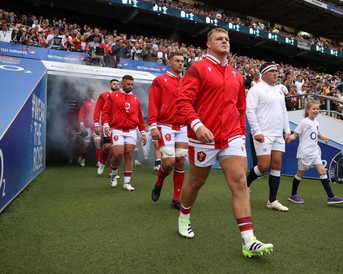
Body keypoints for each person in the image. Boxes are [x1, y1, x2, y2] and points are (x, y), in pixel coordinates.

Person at [176, 28, 273, 258]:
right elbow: (183, 102)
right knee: (196, 183)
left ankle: (249, 240)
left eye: (227, 39)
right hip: (203, 138)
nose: (225, 41)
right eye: (219, 38)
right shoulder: (197, 68)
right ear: (208, 44)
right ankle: (184, 216)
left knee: (240, 183)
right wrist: (198, 126)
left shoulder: (237, 76)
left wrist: (240, 133)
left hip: (231, 138)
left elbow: (240, 108)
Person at [246, 62, 290, 212]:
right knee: (264, 166)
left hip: (278, 134)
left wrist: (288, 131)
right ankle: (245, 185)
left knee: (276, 164)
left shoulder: (279, 91)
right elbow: (250, 111)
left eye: (277, 71)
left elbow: (284, 112)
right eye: (272, 71)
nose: (276, 73)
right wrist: (256, 131)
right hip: (263, 134)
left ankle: (272, 200)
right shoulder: (256, 89)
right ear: (264, 74)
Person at [287, 100, 343, 204]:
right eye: (314, 108)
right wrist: (289, 138)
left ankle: (331, 197)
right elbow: (295, 135)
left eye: (317, 109)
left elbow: (317, 135)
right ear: (308, 110)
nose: (316, 111)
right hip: (304, 153)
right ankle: (293, 195)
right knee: (300, 174)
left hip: (314, 152)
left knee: (323, 172)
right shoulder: (304, 122)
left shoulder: (316, 123)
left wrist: (324, 137)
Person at [148, 52, 188, 210]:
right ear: (169, 63)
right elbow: (153, 103)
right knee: (169, 162)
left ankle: (176, 198)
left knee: (180, 161)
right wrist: (152, 125)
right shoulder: (160, 80)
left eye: (182, 61)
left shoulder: (187, 82)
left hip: (183, 127)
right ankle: (159, 183)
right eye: (177, 61)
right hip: (165, 126)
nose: (180, 63)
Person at [102, 75, 147, 191]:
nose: (130, 86)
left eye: (132, 84)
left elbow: (140, 118)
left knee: (129, 155)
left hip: (131, 131)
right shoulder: (113, 96)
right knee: (117, 153)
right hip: (117, 129)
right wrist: (106, 125)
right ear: (122, 83)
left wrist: (143, 132)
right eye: (128, 84)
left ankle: (127, 182)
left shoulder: (136, 99)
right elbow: (106, 112)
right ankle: (113, 172)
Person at [93, 79, 120, 176]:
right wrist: (96, 124)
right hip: (107, 125)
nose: (116, 85)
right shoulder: (104, 95)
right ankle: (103, 162)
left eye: (118, 84)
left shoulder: (122, 96)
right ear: (110, 85)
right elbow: (97, 109)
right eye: (114, 84)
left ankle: (112, 171)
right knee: (107, 146)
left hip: (118, 126)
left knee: (116, 149)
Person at [78, 90, 101, 167]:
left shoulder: (101, 104)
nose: (96, 96)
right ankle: (83, 158)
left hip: (96, 127)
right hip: (87, 126)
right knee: (86, 144)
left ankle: (98, 162)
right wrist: (81, 123)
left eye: (98, 94)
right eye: (95, 94)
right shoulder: (86, 103)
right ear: (92, 95)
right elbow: (81, 114)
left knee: (97, 143)